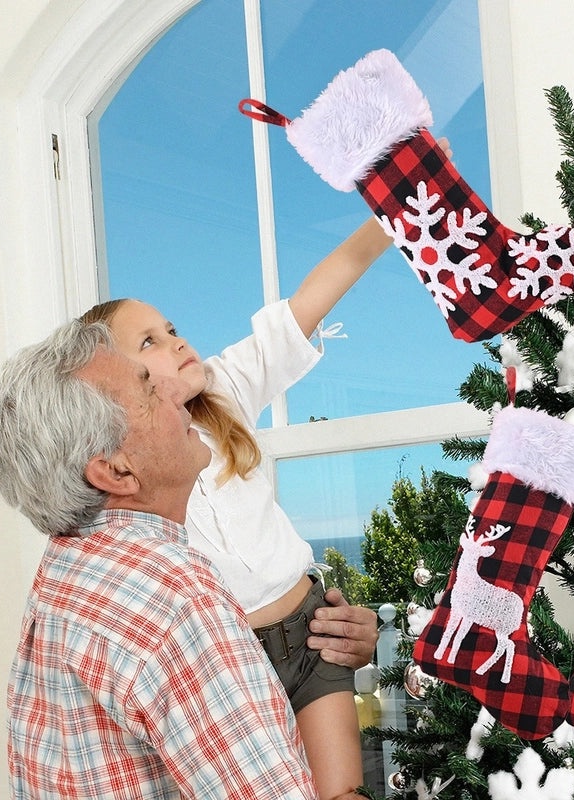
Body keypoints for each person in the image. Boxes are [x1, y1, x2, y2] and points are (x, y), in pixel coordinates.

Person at [79, 140, 450, 800]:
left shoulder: (225, 387)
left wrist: (395, 208)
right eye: (149, 343)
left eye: (170, 328)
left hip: (312, 635)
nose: (176, 342)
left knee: (344, 794)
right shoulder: (125, 484)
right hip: (228, 663)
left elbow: (313, 298)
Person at [0, 319, 363, 799]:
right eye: (149, 391)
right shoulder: (177, 597)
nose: (176, 394)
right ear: (116, 470)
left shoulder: (65, 566)